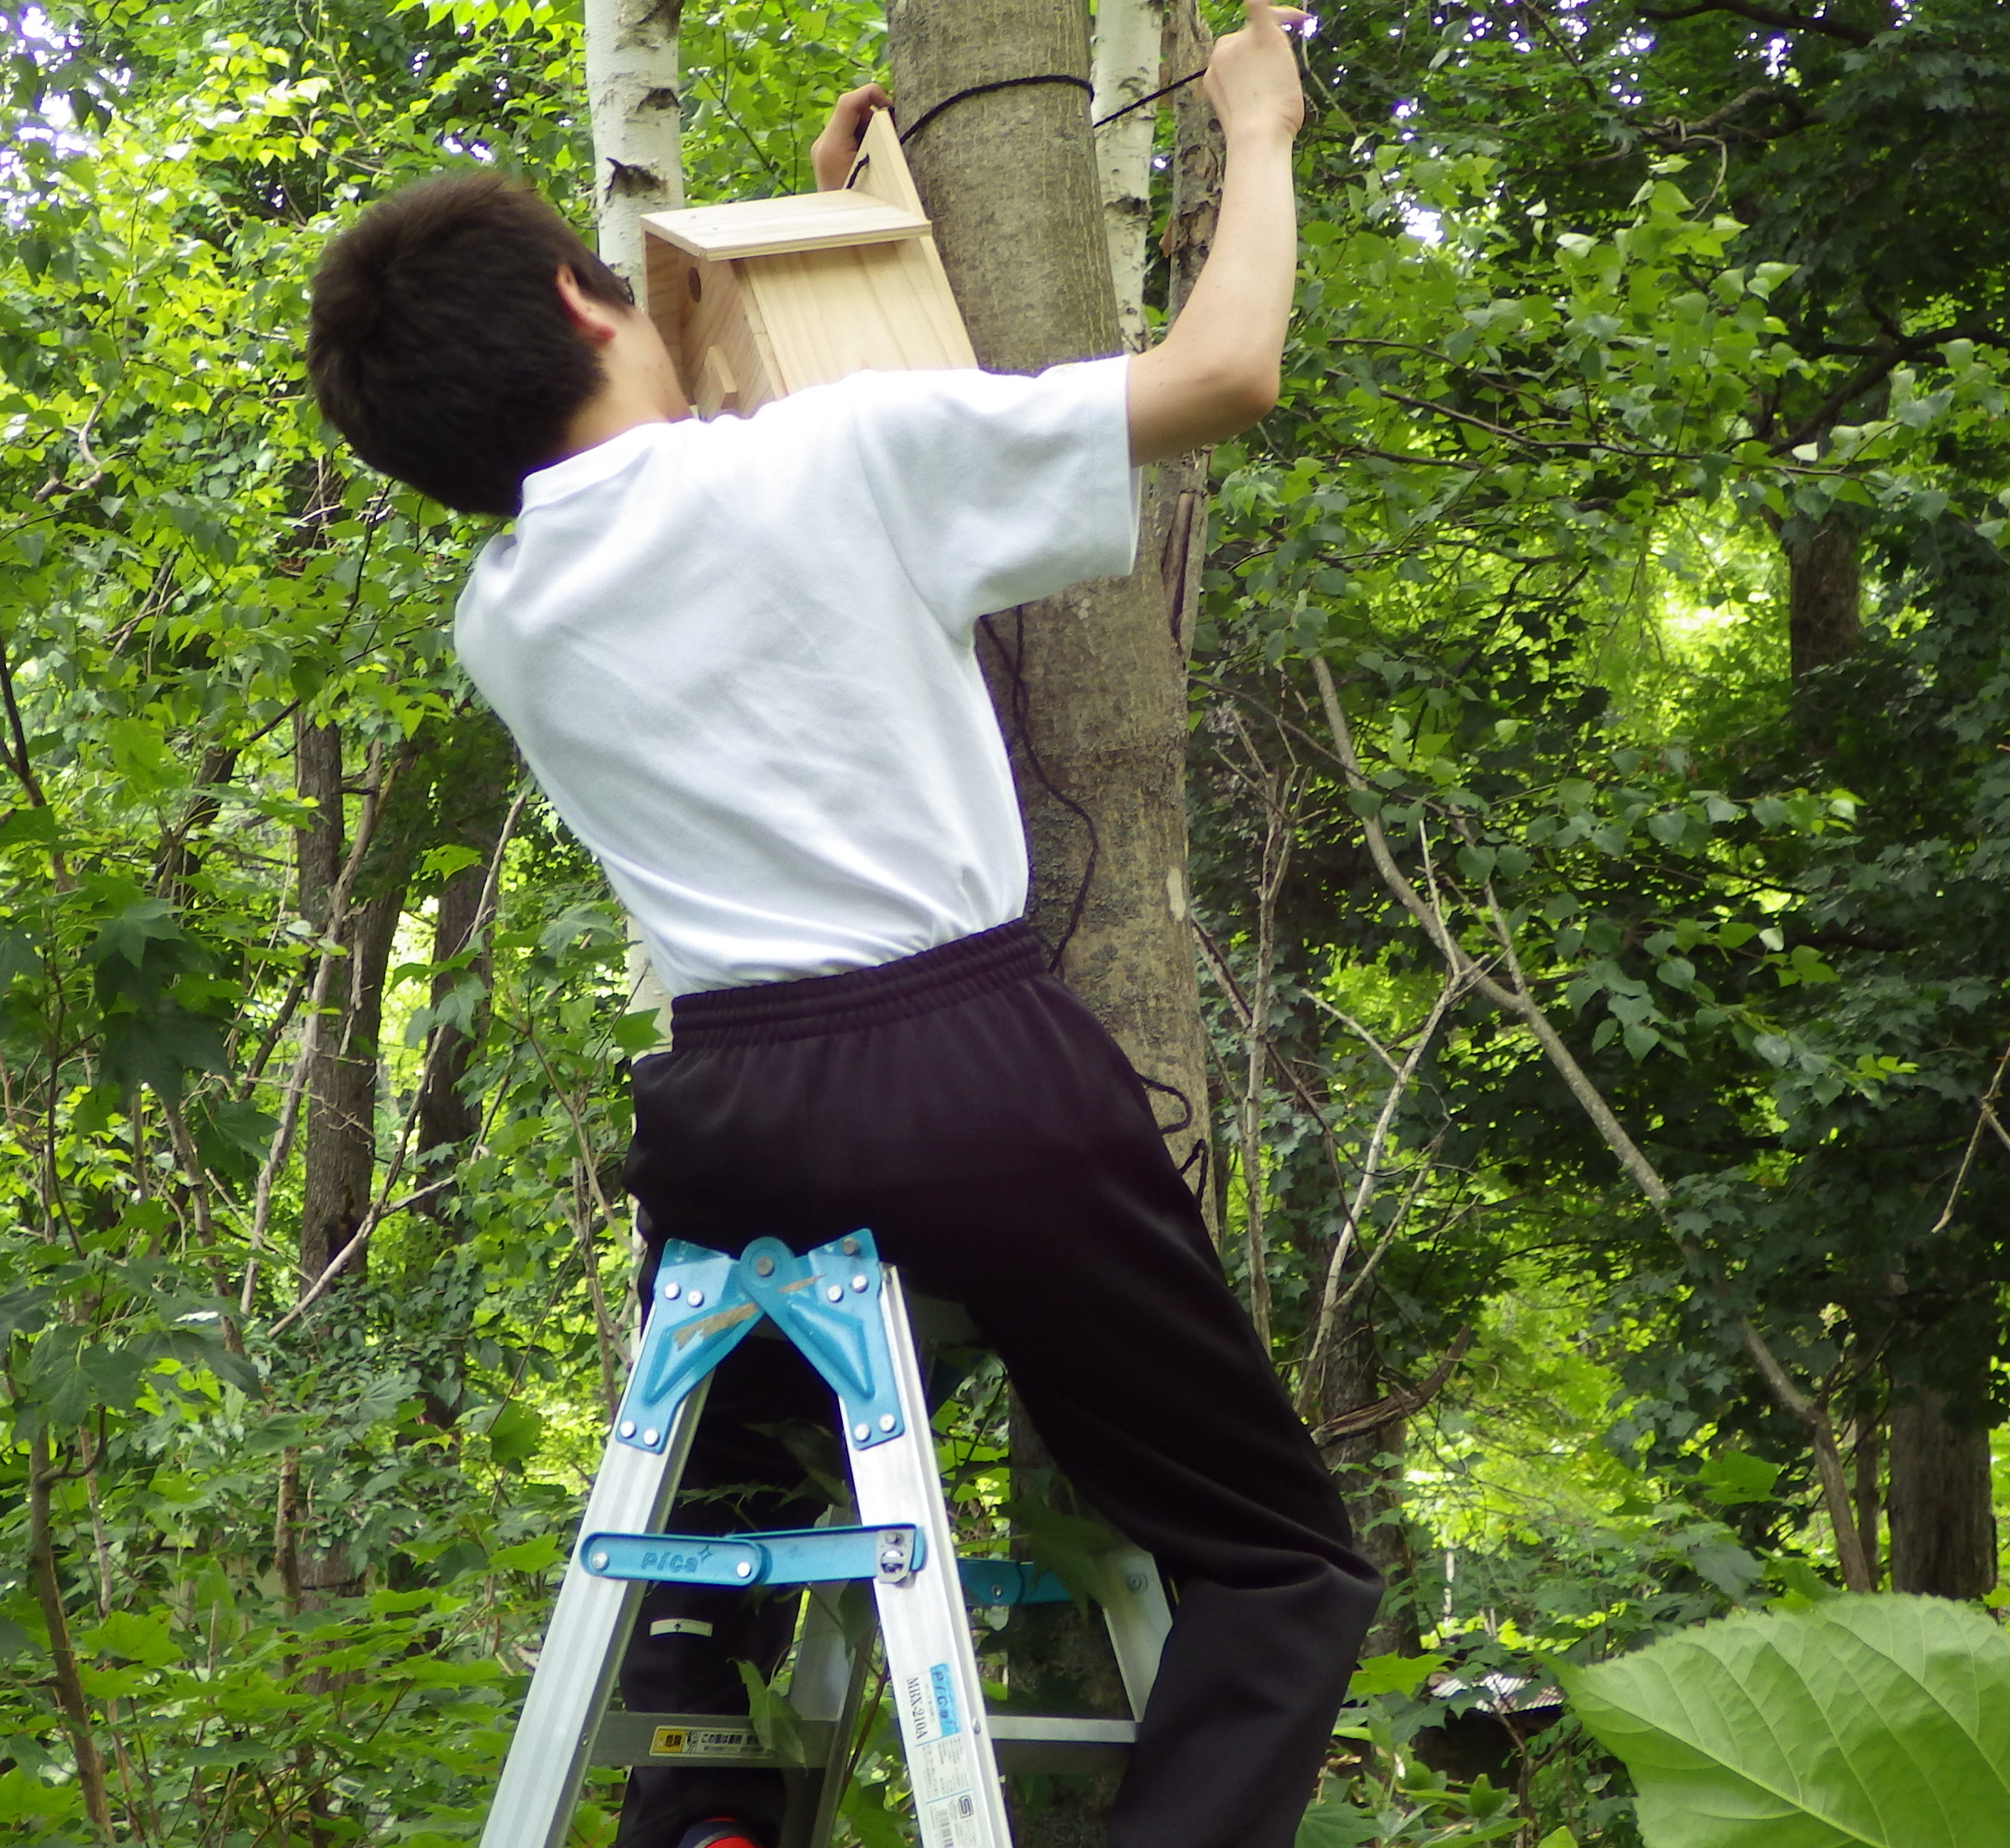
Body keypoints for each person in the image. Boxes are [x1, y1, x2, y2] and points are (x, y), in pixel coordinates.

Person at [299, 10, 1377, 1848]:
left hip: (732, 1122)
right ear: (586, 302)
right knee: (1277, 1570)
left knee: (717, 1585)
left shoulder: (506, 611)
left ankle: (699, 1770)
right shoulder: (844, 464)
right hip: (975, 1075)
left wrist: (838, 227)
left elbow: (713, 478)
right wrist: (1258, 134)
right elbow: (1225, 373)